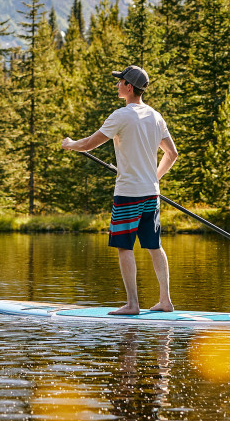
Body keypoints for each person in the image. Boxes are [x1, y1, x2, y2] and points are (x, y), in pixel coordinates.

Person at [62, 65, 179, 315]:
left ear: (129, 87)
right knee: (154, 246)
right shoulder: (156, 117)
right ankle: (165, 301)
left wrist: (71, 144)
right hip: (151, 194)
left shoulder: (120, 115)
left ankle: (132, 304)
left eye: (120, 82)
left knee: (124, 246)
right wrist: (153, 179)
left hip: (128, 194)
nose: (117, 85)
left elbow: (89, 144)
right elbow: (172, 154)